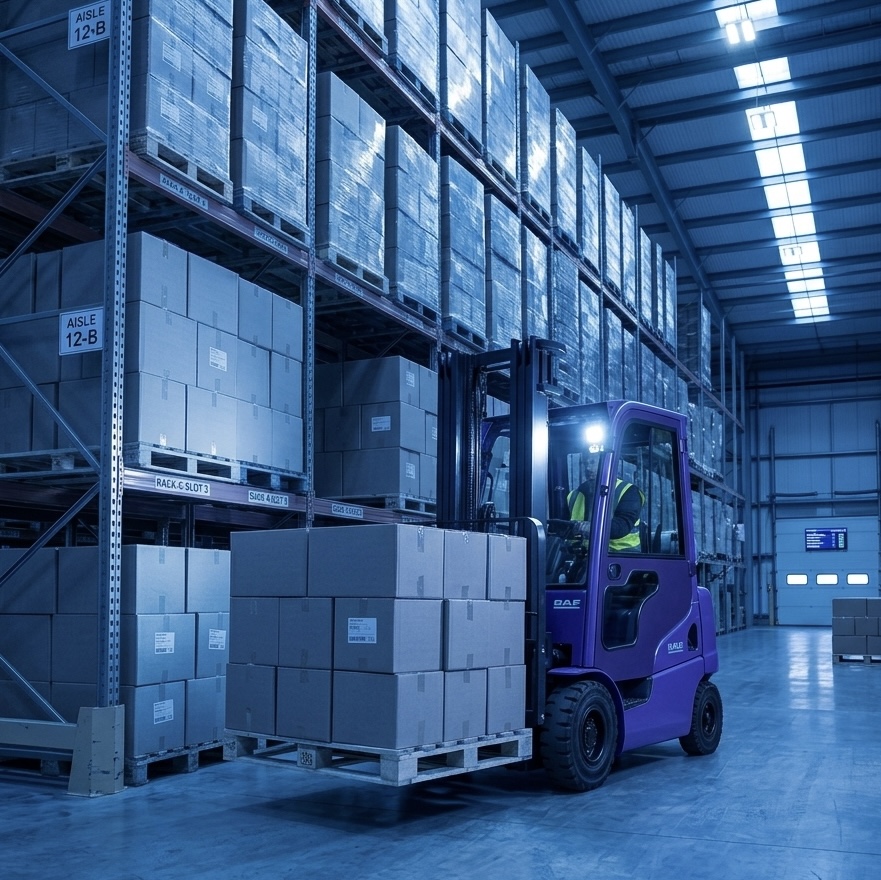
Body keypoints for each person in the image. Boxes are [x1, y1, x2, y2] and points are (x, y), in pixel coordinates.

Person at [568, 473, 645, 552]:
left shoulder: (628, 491)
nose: (588, 468)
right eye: (585, 463)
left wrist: (583, 527)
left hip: (623, 555)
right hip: (582, 555)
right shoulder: (573, 495)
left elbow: (620, 527)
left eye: (593, 462)